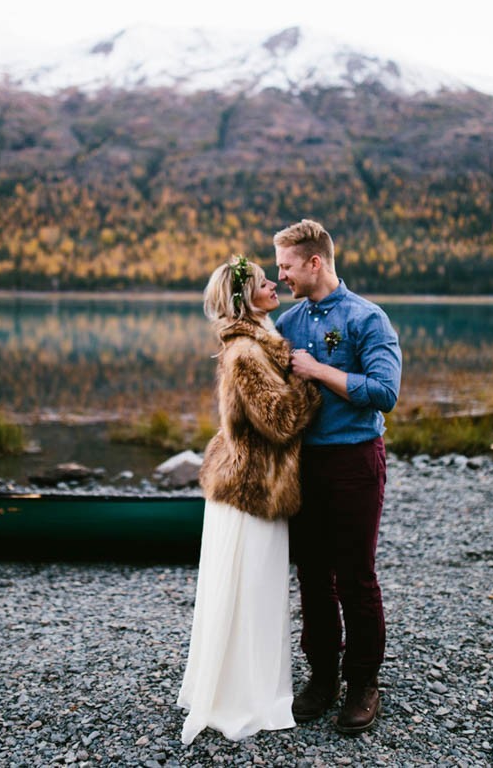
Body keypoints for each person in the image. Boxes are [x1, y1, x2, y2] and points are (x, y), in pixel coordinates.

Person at [177, 255, 321, 745]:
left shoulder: (262, 341)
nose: (274, 285)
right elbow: (279, 421)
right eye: (263, 282)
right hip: (251, 490)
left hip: (254, 485)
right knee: (249, 592)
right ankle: (244, 697)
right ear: (245, 298)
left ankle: (249, 684)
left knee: (252, 591)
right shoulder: (244, 352)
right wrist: (309, 379)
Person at [273, 219, 402, 735]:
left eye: (285, 266)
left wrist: (320, 370)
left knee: (355, 575)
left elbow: (385, 393)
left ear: (314, 263)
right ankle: (321, 678)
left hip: (354, 461)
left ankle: (363, 684)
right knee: (311, 577)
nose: (279, 274)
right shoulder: (286, 322)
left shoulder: (368, 319)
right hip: (303, 466)